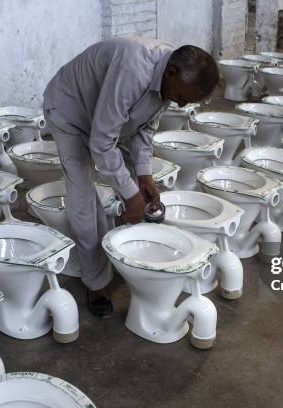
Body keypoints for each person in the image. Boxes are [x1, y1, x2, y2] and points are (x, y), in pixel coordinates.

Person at [42, 36, 219, 317]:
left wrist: (144, 175)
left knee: (130, 182)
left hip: (103, 116)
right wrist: (131, 195)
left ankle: (116, 251)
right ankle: (95, 281)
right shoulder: (133, 70)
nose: (183, 105)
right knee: (82, 192)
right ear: (172, 72)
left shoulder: (168, 79)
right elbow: (102, 142)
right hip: (70, 110)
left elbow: (144, 129)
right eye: (184, 97)